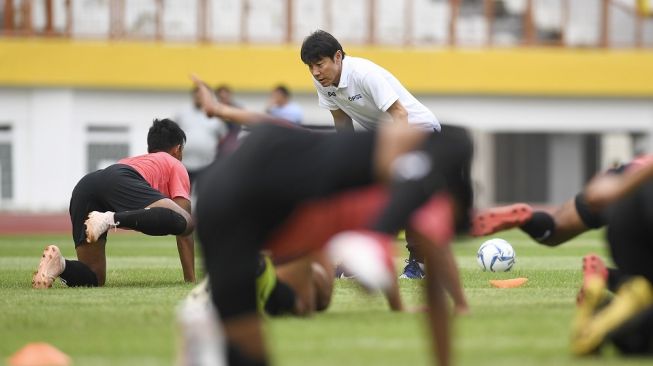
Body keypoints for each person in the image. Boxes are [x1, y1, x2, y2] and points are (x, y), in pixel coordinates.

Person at [191, 74, 474, 366]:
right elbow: (436, 281)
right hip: (261, 194)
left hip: (217, 199)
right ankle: (372, 236)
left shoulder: (394, 178)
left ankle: (203, 338)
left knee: (250, 348)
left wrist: (221, 111)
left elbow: (269, 125)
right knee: (455, 140)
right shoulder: (417, 191)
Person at [300, 29, 449, 282]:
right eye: (310, 66)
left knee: (403, 193)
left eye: (319, 64)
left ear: (338, 57)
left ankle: (419, 264)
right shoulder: (323, 82)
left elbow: (400, 115)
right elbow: (342, 123)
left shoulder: (364, 74)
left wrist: (393, 161)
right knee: (358, 195)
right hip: (385, 137)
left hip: (418, 131)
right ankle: (362, 260)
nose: (315, 72)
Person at [32, 119, 195, 288]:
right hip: (120, 179)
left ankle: (60, 265)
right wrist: (190, 281)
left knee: (95, 277)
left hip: (86, 186)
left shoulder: (138, 160)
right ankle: (108, 219)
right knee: (186, 221)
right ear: (178, 149)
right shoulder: (175, 163)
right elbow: (184, 225)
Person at [570, 155, 653, 356]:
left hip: (627, 212)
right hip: (640, 209)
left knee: (636, 346)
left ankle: (615, 294)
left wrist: (620, 184)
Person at [175, 85, 228, 184]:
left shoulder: (216, 115)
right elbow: (173, 135)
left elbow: (223, 138)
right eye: (197, 95)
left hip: (207, 165)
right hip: (184, 165)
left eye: (202, 95)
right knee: (183, 195)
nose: (199, 97)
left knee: (204, 194)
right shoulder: (182, 113)